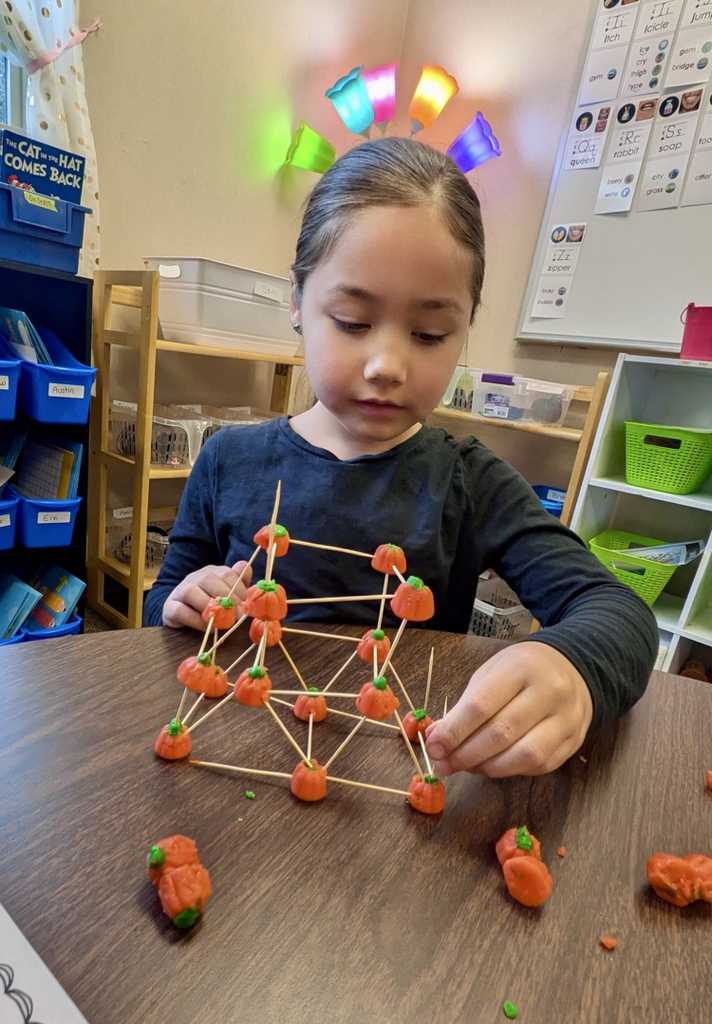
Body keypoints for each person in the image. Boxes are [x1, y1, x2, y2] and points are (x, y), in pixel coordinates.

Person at [144, 137, 657, 780]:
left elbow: (619, 614)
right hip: (230, 756)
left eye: (429, 334)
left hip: (394, 783)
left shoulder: (470, 481)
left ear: (466, 327)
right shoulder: (226, 460)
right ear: (298, 301)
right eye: (354, 321)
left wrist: (575, 666)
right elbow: (161, 603)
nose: (388, 365)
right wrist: (181, 602)